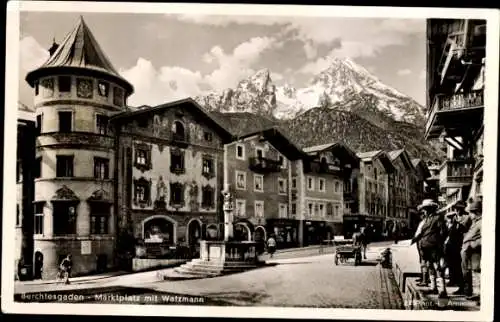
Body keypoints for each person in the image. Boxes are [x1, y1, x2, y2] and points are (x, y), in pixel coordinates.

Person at [412, 199, 447, 298]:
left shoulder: (438, 218)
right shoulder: (426, 219)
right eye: (424, 209)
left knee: (437, 266)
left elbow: (443, 232)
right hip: (426, 247)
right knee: (429, 266)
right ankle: (433, 287)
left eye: (426, 209)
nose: (424, 211)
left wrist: (437, 241)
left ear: (430, 209)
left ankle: (442, 291)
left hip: (434, 247)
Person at [460, 199, 482, 302]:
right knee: (472, 272)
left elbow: (483, 238)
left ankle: (478, 295)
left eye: (471, 213)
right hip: (469, 252)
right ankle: (475, 293)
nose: (470, 215)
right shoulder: (475, 222)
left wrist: (472, 244)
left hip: (474, 252)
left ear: (477, 212)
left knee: (476, 272)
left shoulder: (481, 222)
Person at [443, 211, 464, 288]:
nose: (450, 220)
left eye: (451, 218)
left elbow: (462, 234)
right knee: (450, 265)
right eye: (449, 218)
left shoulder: (458, 225)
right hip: (448, 248)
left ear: (454, 218)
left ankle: (457, 282)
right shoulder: (447, 226)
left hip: (455, 248)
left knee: (456, 265)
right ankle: (452, 280)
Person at [412, 210, 429, 286]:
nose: (420, 216)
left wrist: (414, 239)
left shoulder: (425, 222)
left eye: (422, 214)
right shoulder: (422, 222)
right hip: (420, 242)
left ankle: (425, 279)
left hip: (422, 241)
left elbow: (420, 233)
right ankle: (422, 277)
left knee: (424, 261)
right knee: (421, 260)